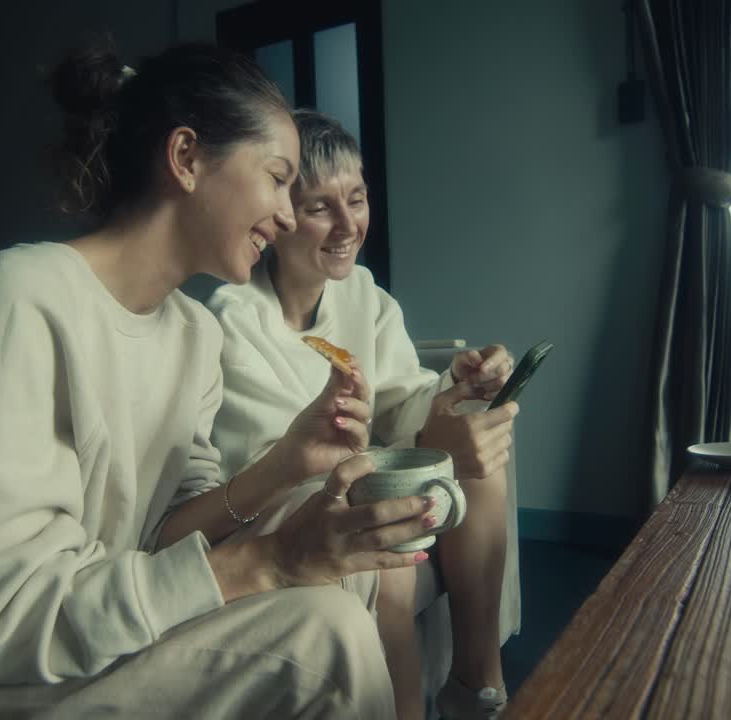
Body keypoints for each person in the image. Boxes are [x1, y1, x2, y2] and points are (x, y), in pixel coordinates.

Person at [0, 44, 436, 719]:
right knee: (322, 638)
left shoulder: (192, 333)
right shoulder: (18, 299)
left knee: (337, 548)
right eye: (277, 177)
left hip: (76, 641)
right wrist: (268, 563)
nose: (291, 216)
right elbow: (9, 618)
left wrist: (285, 465)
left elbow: (162, 538)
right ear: (186, 159)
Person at [206, 109, 518, 720]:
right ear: (280, 215)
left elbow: (402, 399)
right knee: (391, 549)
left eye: (357, 199)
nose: (349, 225)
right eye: (322, 207)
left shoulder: (365, 296)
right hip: (282, 497)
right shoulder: (233, 320)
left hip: (353, 474)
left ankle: (477, 683)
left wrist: (455, 395)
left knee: (482, 463)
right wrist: (431, 437)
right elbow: (293, 462)